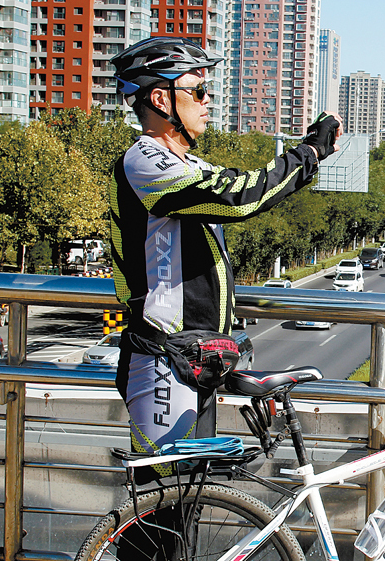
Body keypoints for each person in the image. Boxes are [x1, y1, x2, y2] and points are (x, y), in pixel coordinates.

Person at [109, 36, 342, 469]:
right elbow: (238, 197)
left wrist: (307, 155)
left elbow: (245, 185)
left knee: (189, 499)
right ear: (160, 98)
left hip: (194, 357)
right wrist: (308, 153)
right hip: (164, 358)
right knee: (161, 505)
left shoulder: (188, 164)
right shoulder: (144, 160)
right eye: (197, 90)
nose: (207, 100)